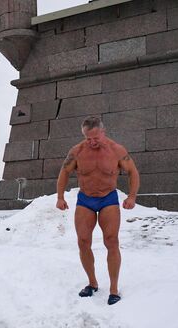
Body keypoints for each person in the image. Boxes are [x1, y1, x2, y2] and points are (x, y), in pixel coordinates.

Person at [56, 116, 140, 305]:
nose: (92, 142)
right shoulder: (77, 151)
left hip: (108, 199)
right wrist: (60, 197)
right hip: (85, 199)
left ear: (103, 132)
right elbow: (64, 172)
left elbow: (133, 172)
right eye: (88, 138)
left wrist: (132, 196)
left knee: (111, 241)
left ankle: (114, 289)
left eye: (96, 138)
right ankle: (92, 283)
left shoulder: (117, 150)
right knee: (83, 241)